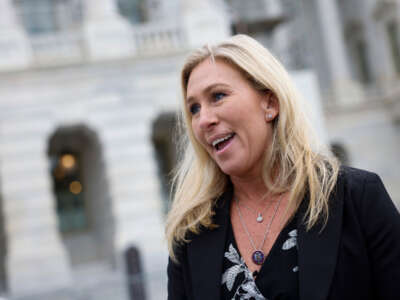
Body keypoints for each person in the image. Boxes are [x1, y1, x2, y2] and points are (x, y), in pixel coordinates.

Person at [165, 34, 400, 300]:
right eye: (194, 108)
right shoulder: (191, 232)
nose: (203, 119)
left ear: (270, 103)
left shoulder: (357, 198)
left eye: (218, 96)